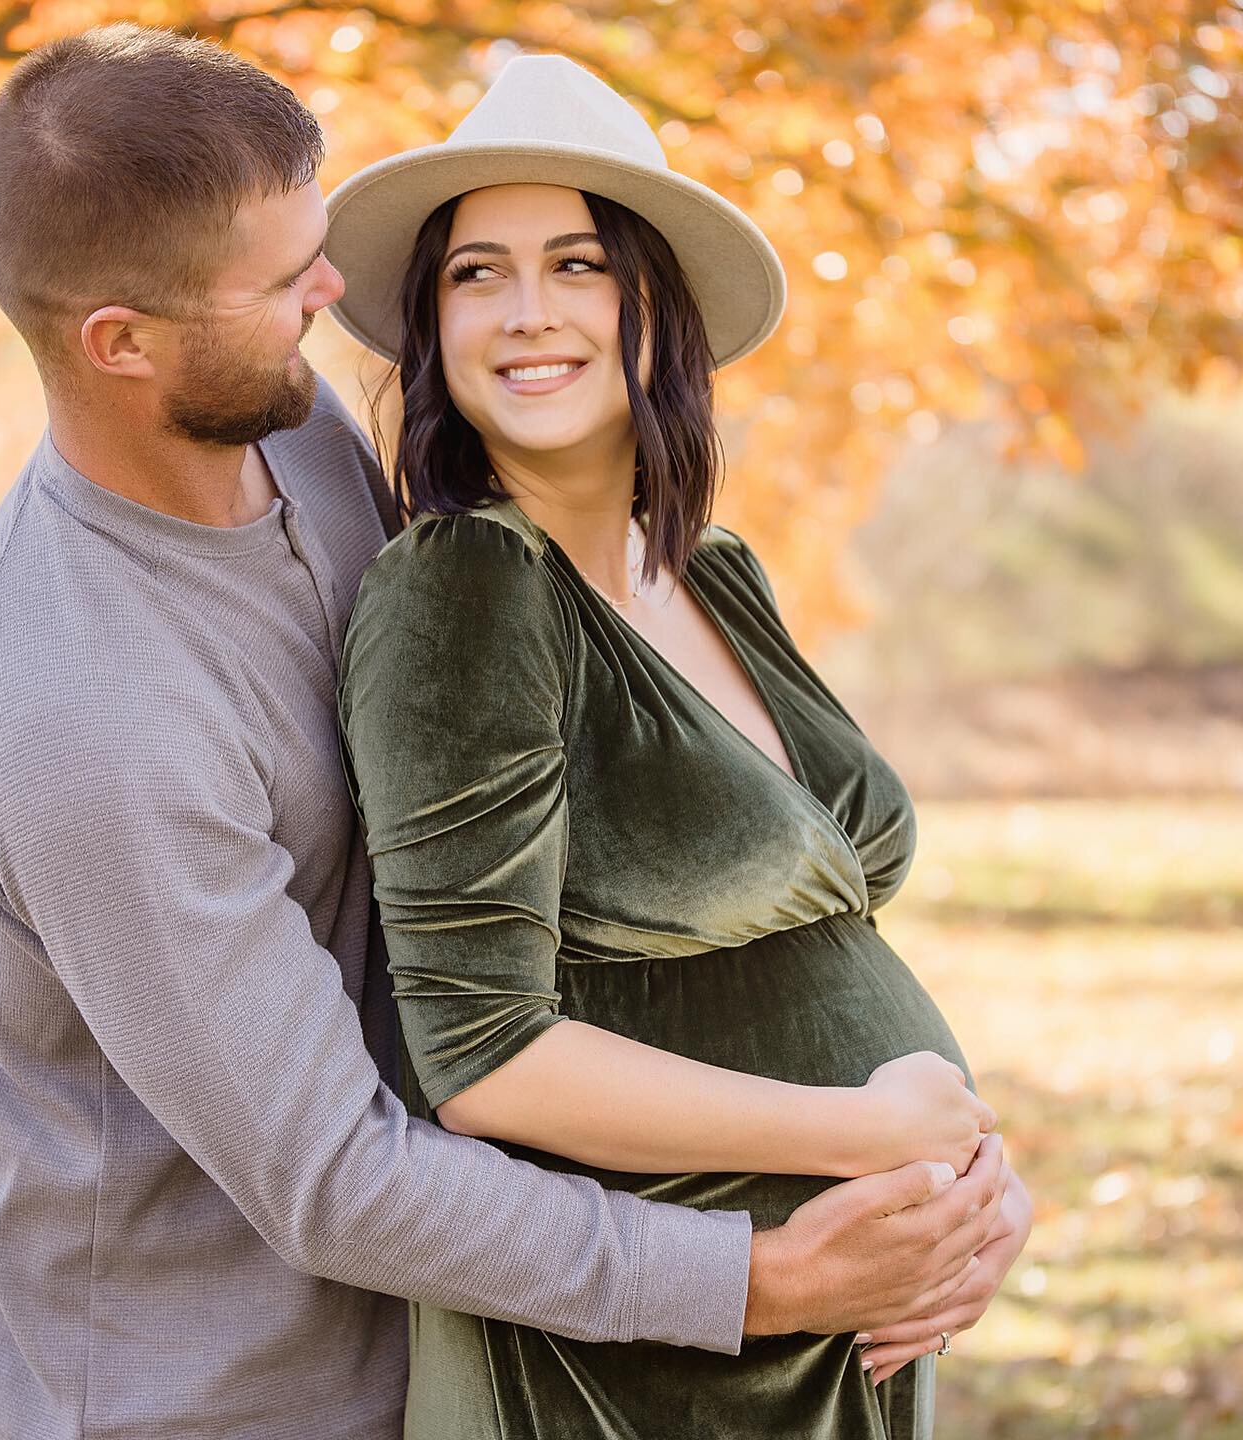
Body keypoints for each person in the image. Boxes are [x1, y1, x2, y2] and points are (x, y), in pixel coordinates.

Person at [0, 24, 1014, 1440]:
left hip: (446, 1342)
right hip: (194, 1403)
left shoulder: (287, 428)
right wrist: (764, 1278)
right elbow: (337, 1180)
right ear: (120, 344)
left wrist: (955, 1179)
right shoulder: (86, 720)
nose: (334, 291)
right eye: (283, 282)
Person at [327, 54, 1032, 1439]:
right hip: (648, 1366)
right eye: (477, 273)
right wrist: (867, 1139)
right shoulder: (463, 587)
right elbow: (483, 1059)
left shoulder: (717, 573)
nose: (526, 313)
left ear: (657, 301)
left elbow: (828, 964)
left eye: (577, 263)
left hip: (841, 1339)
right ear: (432, 323)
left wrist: (973, 1174)